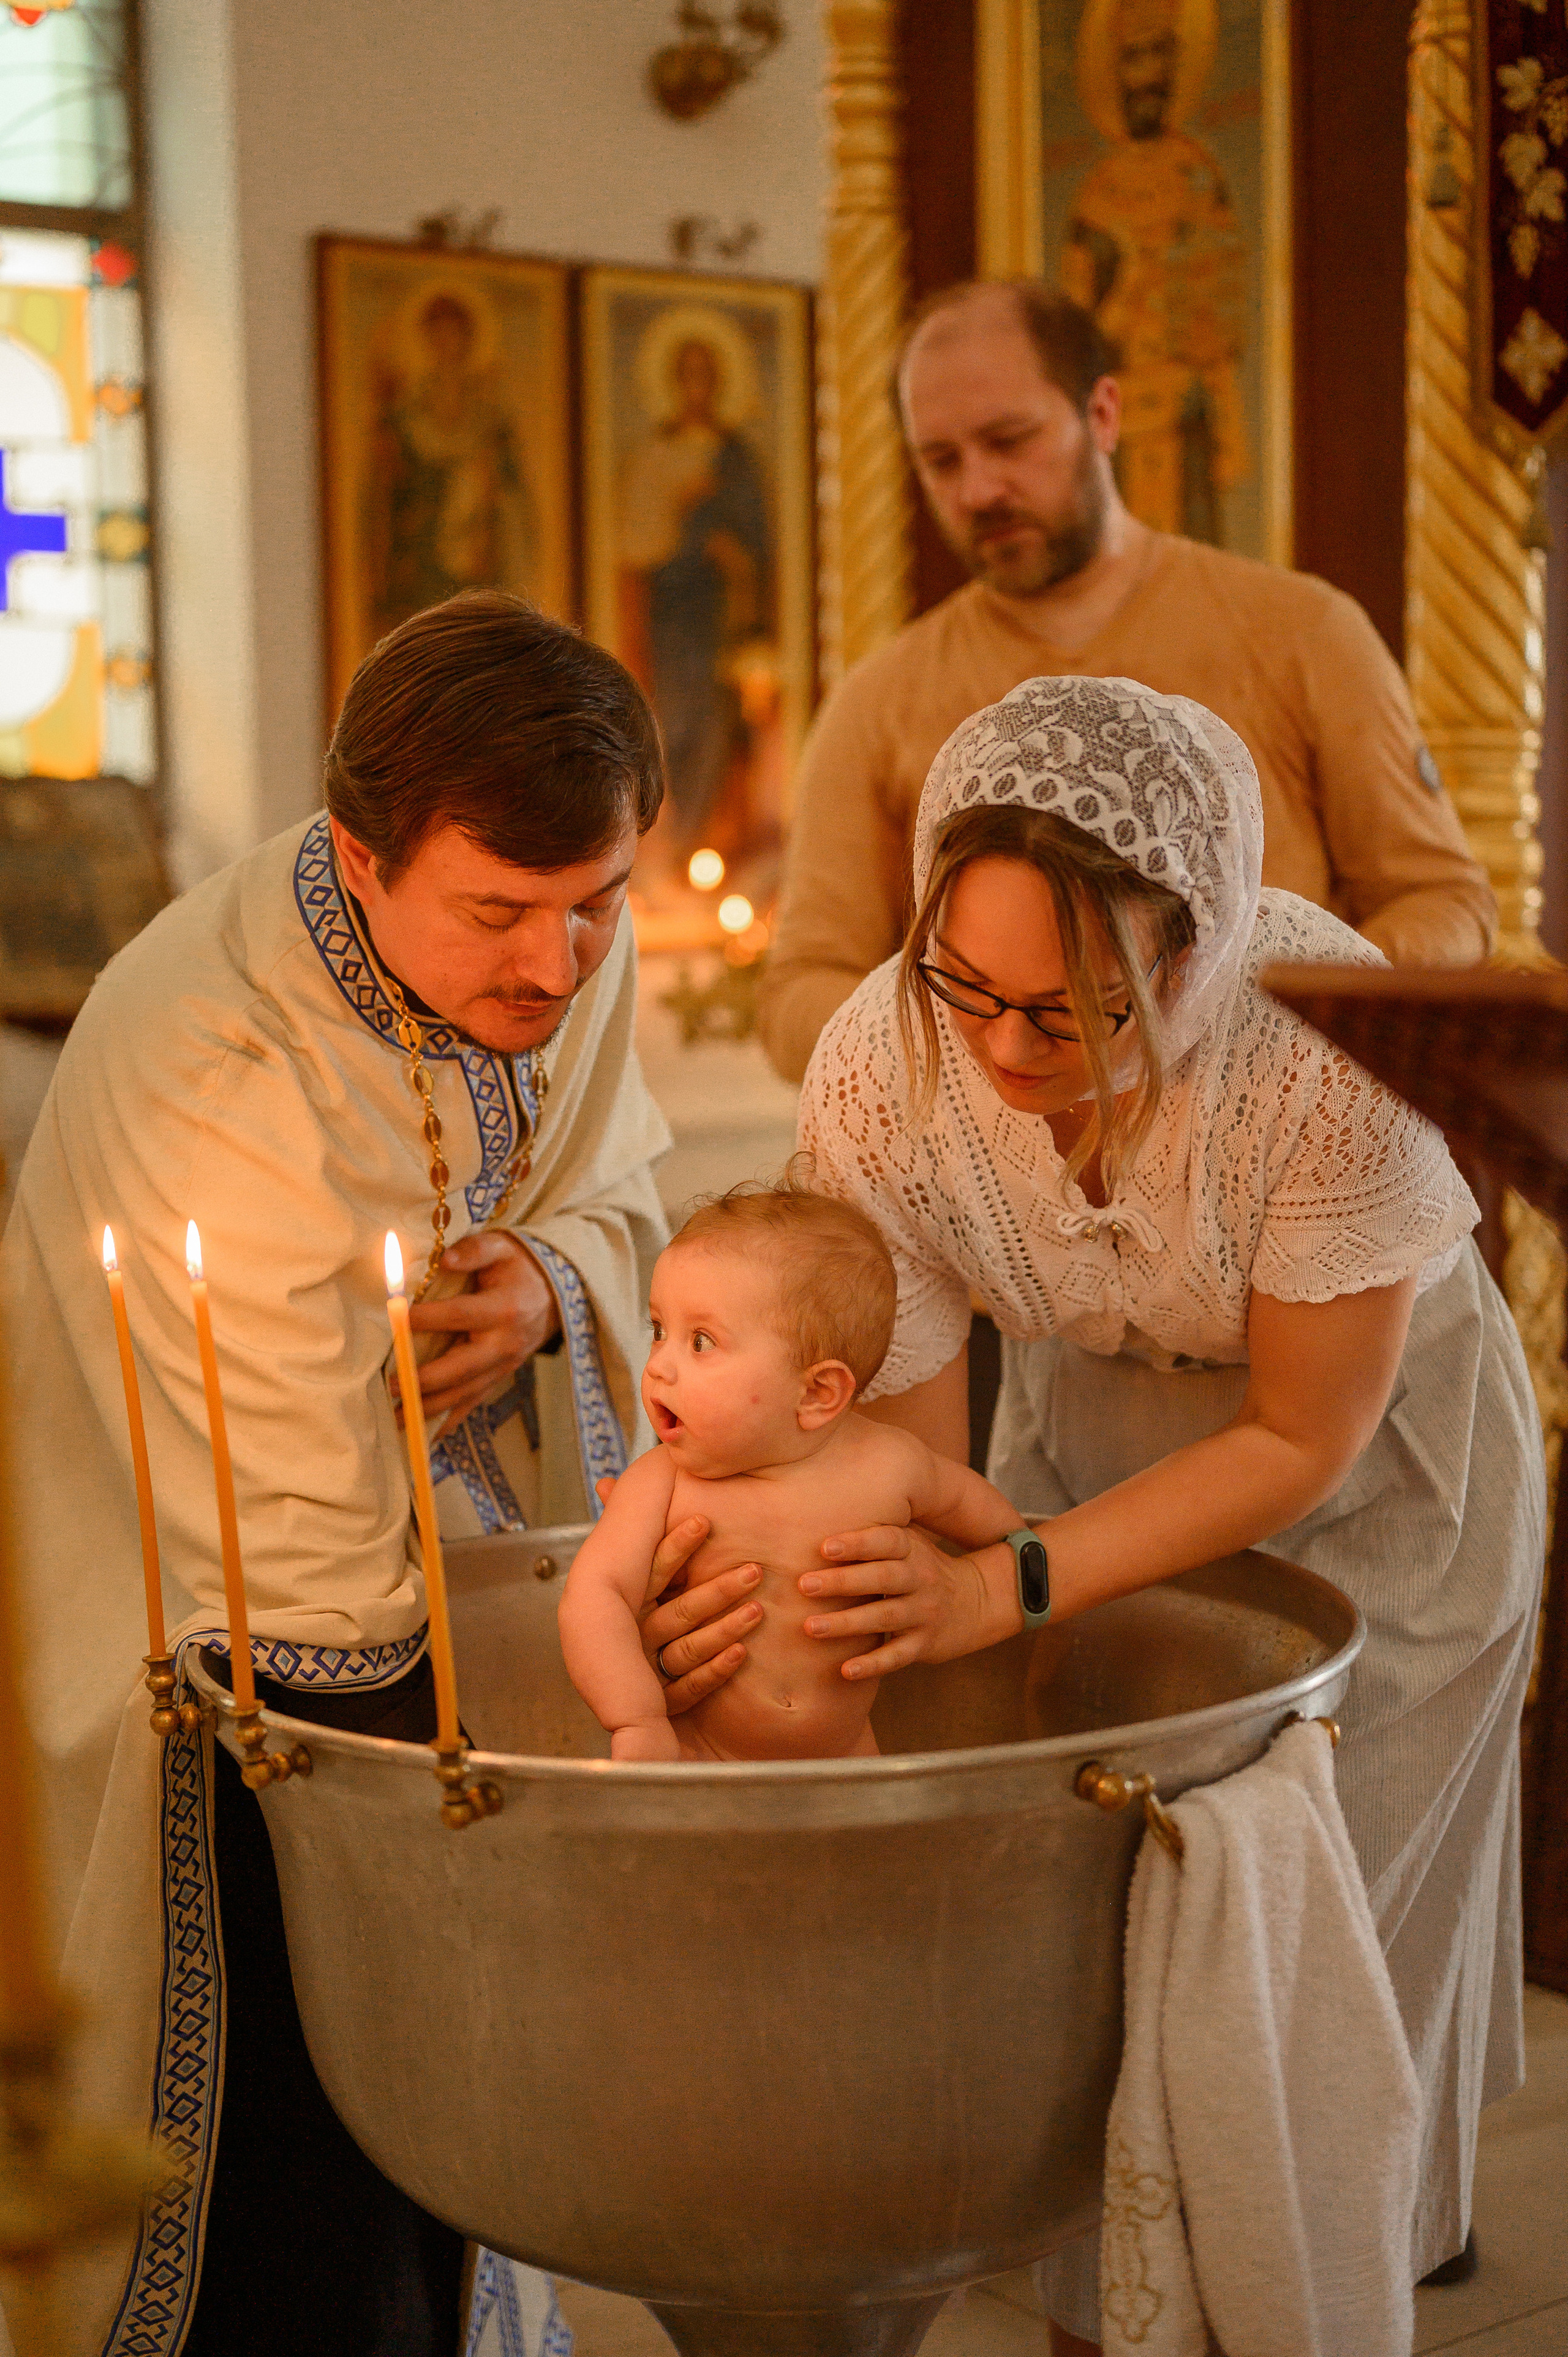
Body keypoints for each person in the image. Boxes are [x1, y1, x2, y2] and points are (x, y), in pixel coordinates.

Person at [0, 592, 759, 2357]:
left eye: (600, 907)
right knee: (294, 2152)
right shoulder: (218, 1057)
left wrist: (548, 1283)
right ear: (359, 856)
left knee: (455, 2139)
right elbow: (300, 1570)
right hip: (227, 1647)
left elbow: (618, 1174)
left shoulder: (557, 910)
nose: (560, 970)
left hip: (458, 1587)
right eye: (500, 914)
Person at [760, 675, 1534, 2349]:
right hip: (1094, 1431)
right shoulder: (889, 1061)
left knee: (1301, 1912)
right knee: (1101, 1896)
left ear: (1192, 955)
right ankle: (1105, 2310)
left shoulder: (1321, 1043)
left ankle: (1296, 2298)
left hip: (1381, 1460)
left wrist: (1004, 1585)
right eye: (966, 985)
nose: (1005, 1050)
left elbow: (1293, 1438)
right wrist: (905, 1585)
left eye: (1070, 1010)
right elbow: (900, 1452)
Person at [758, 281, 1496, 1086]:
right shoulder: (880, 700)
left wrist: (1270, 1015)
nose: (977, 490)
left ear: (1103, 415)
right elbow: (799, 993)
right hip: (1001, 1185)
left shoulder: (1304, 633)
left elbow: (1447, 906)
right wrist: (996, 1037)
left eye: (1010, 441)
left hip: (1271, 1143)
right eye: (942, 461)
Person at [559, 1181, 1018, 1761]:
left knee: (872, 1852)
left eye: (701, 1341)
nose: (659, 1366)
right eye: (658, 1330)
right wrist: (636, 1718)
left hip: (849, 1754)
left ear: (818, 1393)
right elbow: (593, 1595)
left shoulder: (891, 1464)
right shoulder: (663, 1481)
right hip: (704, 1754)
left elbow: (987, 1520)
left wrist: (1022, 1575)